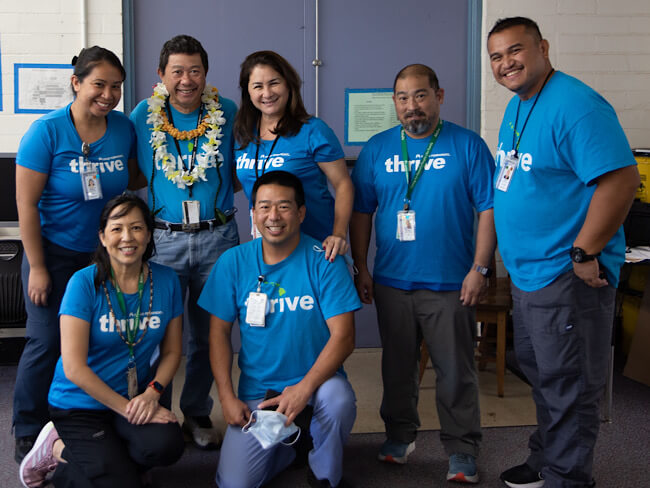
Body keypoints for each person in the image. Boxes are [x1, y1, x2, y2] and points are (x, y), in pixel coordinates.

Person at [486, 17, 640, 488]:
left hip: (565, 276)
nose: (506, 63)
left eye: (515, 51)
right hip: (529, 276)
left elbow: (621, 180)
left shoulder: (576, 104)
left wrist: (583, 251)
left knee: (571, 385)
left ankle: (568, 478)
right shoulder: (519, 106)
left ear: (542, 48)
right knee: (545, 375)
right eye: (496, 57)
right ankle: (548, 459)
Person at [350, 64, 496, 484]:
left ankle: (462, 449)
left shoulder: (467, 146)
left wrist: (480, 269)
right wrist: (362, 267)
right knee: (396, 368)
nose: (412, 105)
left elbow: (488, 210)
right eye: (403, 97)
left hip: (451, 283)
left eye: (420, 95)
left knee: (455, 372)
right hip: (393, 282)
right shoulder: (377, 150)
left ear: (439, 95)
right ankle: (400, 436)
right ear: (394, 102)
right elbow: (361, 213)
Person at [13, 46, 138, 463]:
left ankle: (92, 420)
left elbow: (135, 175)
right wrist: (37, 269)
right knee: (47, 341)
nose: (108, 94)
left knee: (104, 340)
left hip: (105, 256)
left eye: (116, 86)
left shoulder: (122, 128)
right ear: (76, 83)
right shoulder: (46, 132)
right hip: (53, 253)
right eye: (99, 84)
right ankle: (28, 429)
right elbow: (26, 206)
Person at [198, 171, 360, 488]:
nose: (274, 216)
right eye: (264, 207)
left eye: (284, 207)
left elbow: (344, 337)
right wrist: (226, 396)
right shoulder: (233, 262)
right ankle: (293, 446)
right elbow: (217, 334)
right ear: (253, 213)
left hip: (316, 385)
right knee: (235, 484)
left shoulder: (325, 261)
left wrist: (303, 389)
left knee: (338, 398)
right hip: (259, 396)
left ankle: (325, 473)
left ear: (301, 212)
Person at [18, 194, 185, 488]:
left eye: (136, 228)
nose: (127, 237)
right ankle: (56, 448)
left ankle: (106, 460)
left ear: (148, 234)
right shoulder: (83, 283)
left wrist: (152, 393)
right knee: (118, 481)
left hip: (134, 398)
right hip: (79, 403)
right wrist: (126, 408)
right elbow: (73, 367)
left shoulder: (167, 280)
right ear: (103, 237)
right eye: (117, 228)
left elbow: (172, 351)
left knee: (167, 445)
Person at [130, 34, 239, 449]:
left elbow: (243, 171)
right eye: (177, 71)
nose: (186, 80)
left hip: (218, 237)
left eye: (195, 71)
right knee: (158, 331)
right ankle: (160, 410)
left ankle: (196, 410)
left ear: (205, 74)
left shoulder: (226, 112)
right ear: (162, 75)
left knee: (212, 333)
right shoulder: (143, 115)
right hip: (163, 241)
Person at [234, 50, 353, 260]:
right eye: (258, 86)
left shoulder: (313, 131)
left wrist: (339, 234)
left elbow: (343, 184)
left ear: (288, 84)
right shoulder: (243, 135)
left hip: (317, 249)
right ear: (248, 92)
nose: (267, 93)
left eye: (274, 83)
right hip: (266, 250)